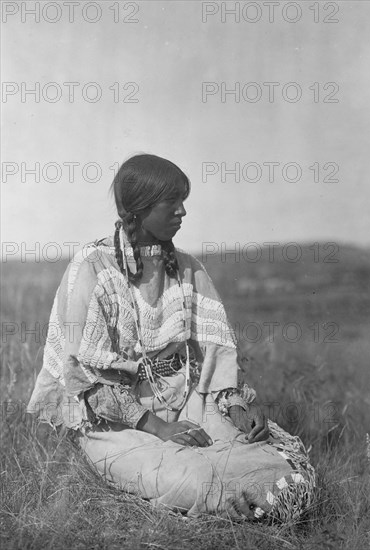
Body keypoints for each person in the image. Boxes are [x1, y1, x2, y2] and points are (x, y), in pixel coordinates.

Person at [28, 154, 315, 521]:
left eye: (184, 201)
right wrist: (160, 428)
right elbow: (85, 376)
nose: (183, 212)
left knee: (283, 466)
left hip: (187, 399)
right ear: (139, 208)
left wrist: (237, 407)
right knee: (192, 478)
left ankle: (249, 495)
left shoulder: (189, 268)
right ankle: (227, 500)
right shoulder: (92, 268)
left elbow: (215, 350)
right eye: (173, 203)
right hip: (117, 423)